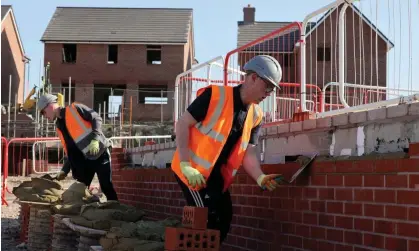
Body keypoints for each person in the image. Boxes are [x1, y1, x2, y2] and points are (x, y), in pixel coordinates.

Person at [171, 55, 285, 244]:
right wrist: (185, 164)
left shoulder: (256, 115)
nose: (270, 92)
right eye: (268, 86)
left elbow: (248, 152)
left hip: (215, 176)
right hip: (191, 171)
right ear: (253, 78)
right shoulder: (215, 96)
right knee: (204, 217)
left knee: (224, 217)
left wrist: (260, 177)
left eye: (273, 88)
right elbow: (183, 123)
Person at [37, 94, 118, 201]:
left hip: (100, 153)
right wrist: (64, 170)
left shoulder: (75, 109)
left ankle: (117, 212)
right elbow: (71, 150)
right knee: (80, 191)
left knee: (106, 186)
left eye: (43, 112)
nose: (44, 116)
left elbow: (96, 118)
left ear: (49, 106)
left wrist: (95, 139)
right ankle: (89, 212)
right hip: (85, 160)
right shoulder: (59, 127)